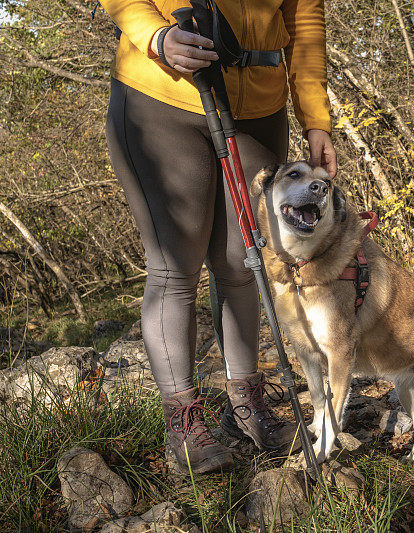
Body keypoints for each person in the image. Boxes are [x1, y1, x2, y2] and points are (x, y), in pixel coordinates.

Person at [101, 0, 336, 473]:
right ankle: (184, 424)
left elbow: (305, 22)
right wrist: (155, 35)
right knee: (175, 266)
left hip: (259, 108)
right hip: (161, 99)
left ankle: (246, 409)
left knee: (242, 262)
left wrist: (315, 117)